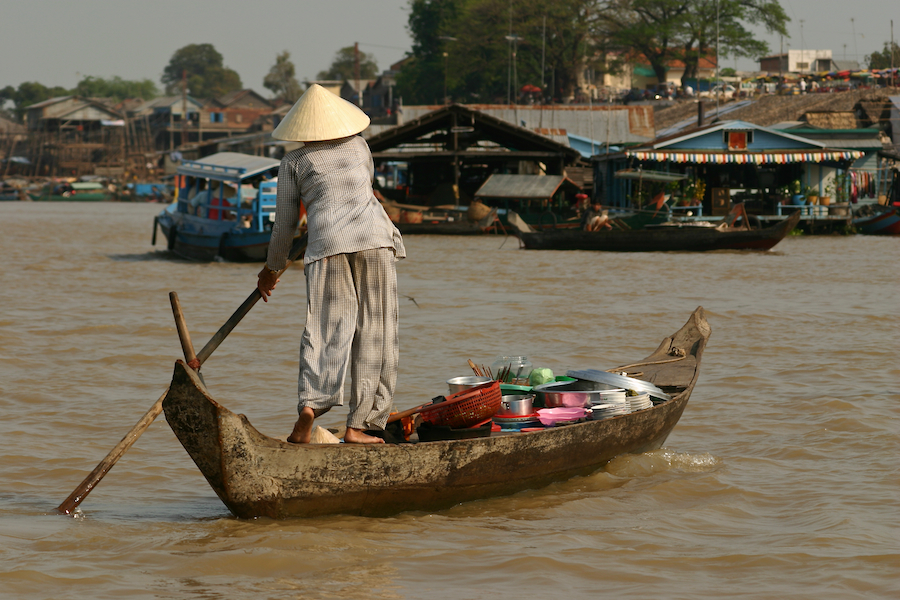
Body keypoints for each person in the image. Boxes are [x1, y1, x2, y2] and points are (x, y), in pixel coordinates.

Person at [257, 84, 406, 445]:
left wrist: (271, 269)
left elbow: (285, 225)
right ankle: (361, 426)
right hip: (373, 238)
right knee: (377, 332)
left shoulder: (292, 162)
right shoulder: (359, 145)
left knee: (326, 331)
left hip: (327, 246)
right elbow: (361, 190)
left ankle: (310, 407)